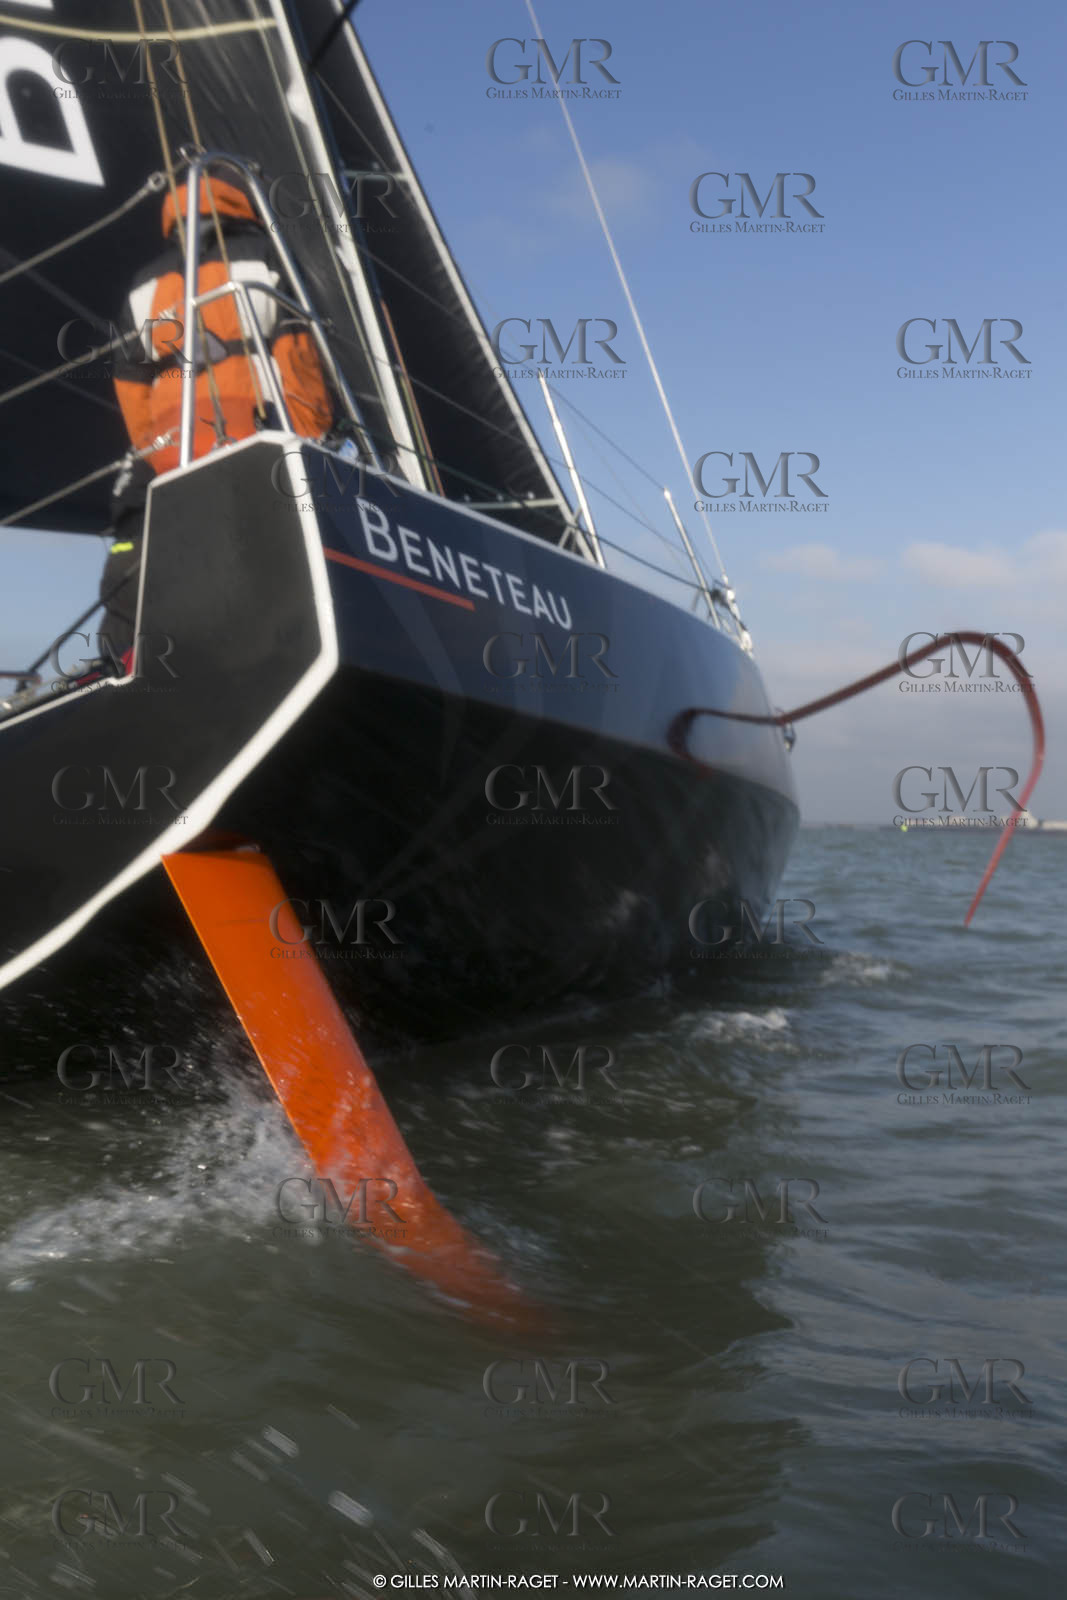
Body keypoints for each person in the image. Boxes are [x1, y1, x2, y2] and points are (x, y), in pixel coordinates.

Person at [99, 175, 334, 666]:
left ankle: (119, 663)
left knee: (135, 549)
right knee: (254, 547)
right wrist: (312, 434)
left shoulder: (144, 282)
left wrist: (153, 446)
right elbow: (297, 355)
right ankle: (263, 647)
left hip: (168, 446)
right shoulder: (267, 257)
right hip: (252, 429)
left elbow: (129, 381)